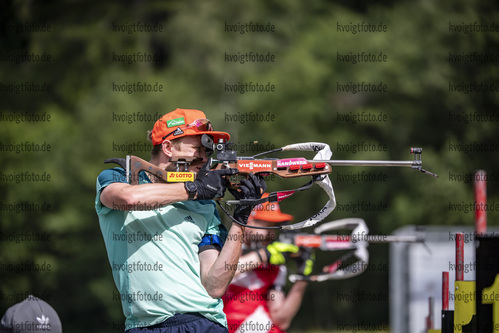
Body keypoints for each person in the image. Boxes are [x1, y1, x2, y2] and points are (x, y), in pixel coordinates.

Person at [95, 108, 265, 332]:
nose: (204, 158)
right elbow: (127, 198)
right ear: (167, 147)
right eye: (197, 148)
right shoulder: (120, 177)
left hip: (205, 322)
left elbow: (214, 286)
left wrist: (241, 218)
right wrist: (194, 188)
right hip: (145, 325)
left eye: (207, 151)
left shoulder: (205, 205)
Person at [222, 195, 314, 333]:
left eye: (274, 227)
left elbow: (281, 321)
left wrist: (303, 278)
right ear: (248, 222)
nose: (271, 233)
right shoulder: (224, 245)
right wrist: (265, 255)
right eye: (267, 225)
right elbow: (221, 274)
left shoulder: (274, 266)